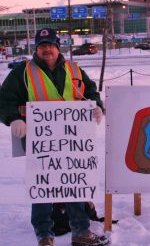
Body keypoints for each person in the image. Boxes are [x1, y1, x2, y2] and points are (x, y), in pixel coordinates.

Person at [0, 28, 109, 246]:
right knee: (42, 189)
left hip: (73, 140)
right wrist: (14, 119)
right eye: (42, 46)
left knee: (74, 185)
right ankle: (44, 235)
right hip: (39, 142)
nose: (46, 49)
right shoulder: (23, 72)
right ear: (36, 50)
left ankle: (80, 232)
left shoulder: (74, 69)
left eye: (50, 45)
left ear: (58, 47)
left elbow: (90, 92)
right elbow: (4, 100)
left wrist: (96, 106)